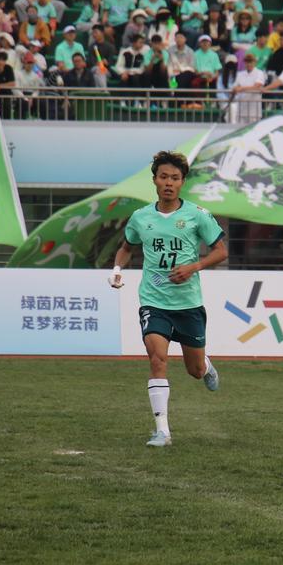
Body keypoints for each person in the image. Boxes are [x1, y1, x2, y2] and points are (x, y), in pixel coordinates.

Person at [109, 150, 228, 448]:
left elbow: (221, 251)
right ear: (155, 180)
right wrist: (117, 269)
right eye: (163, 177)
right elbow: (126, 248)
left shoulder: (197, 215)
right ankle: (162, 430)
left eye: (175, 178)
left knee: (194, 370)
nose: (169, 183)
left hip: (188, 304)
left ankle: (205, 365)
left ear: (182, 182)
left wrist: (193, 267)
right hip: (154, 301)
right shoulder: (140, 217)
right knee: (157, 358)